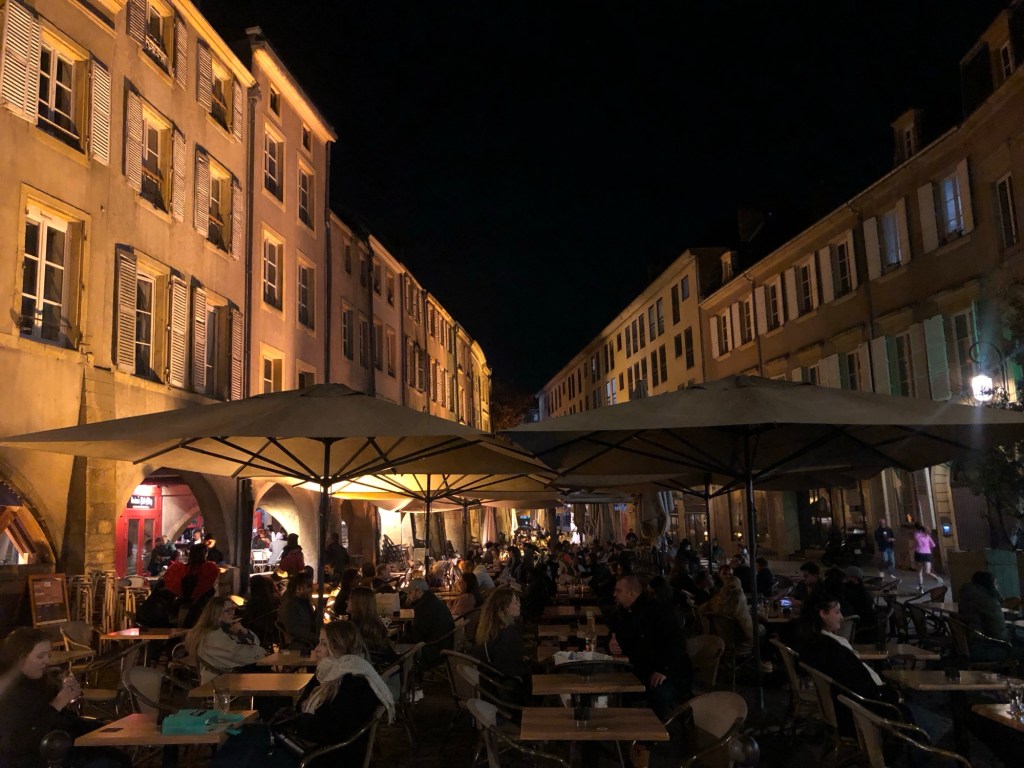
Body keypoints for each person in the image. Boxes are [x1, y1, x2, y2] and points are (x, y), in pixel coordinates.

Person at [213, 621, 394, 768]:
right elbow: (303, 707)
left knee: (246, 744)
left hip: (323, 755)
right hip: (308, 745)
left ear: (339, 647)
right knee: (243, 738)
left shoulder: (353, 682)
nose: (317, 649)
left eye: (323, 643)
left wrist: (293, 721)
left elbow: (328, 729)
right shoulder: (330, 673)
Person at [0, 627, 128, 768]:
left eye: (48, 655)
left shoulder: (40, 681)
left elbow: (65, 720)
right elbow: (18, 744)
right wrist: (58, 703)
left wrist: (103, 730)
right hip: (38, 759)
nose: (47, 660)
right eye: (40, 656)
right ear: (19, 659)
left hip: (64, 748)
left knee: (118, 756)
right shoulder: (9, 693)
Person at [797, 590, 904, 737]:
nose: (841, 617)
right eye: (837, 612)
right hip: (866, 714)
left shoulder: (813, 643)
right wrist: (891, 694)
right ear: (823, 613)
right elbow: (859, 685)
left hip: (847, 708)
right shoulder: (833, 649)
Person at [608, 574, 692, 719]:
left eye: (618, 590)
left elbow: (677, 643)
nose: (614, 594)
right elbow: (613, 634)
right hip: (638, 667)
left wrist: (663, 669)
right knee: (616, 685)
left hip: (669, 671)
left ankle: (661, 728)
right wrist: (611, 643)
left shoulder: (657, 611)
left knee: (658, 693)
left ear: (631, 593)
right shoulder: (621, 613)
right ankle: (627, 724)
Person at [185, 595, 266, 681]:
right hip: (219, 682)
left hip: (225, 677)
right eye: (227, 611)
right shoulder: (212, 636)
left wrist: (245, 632)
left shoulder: (225, 628)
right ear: (216, 614)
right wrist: (262, 652)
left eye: (233, 609)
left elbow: (254, 643)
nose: (232, 613)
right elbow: (238, 654)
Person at [473, 586, 528, 683]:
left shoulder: (488, 627)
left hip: (486, 681)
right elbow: (512, 668)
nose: (519, 604)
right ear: (505, 608)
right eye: (515, 603)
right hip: (507, 685)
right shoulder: (509, 633)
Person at [163, 542, 220, 627]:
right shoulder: (208, 569)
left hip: (184, 606)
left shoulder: (182, 569)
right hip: (202, 608)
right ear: (204, 554)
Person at [405, 578, 454, 670]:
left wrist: (401, 638)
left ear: (418, 591)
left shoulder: (423, 607)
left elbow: (417, 634)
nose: (408, 596)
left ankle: (406, 675)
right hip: (445, 644)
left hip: (433, 649)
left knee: (401, 649)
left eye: (410, 593)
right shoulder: (432, 600)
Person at [347, 586, 398, 669]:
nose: (347, 602)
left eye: (349, 599)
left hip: (369, 670)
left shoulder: (353, 627)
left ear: (357, 603)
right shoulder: (376, 623)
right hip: (385, 668)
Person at [277, 572, 317, 652]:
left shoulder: (303, 601)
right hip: (298, 644)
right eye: (309, 586)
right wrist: (316, 638)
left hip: (306, 640)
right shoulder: (290, 605)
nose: (313, 589)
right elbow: (295, 630)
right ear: (299, 588)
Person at [242, 574, 280, 650]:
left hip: (257, 630)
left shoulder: (254, 601)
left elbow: (248, 618)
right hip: (270, 629)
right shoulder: (272, 598)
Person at [912, 524, 942, 591]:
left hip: (919, 554)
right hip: (927, 554)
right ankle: (938, 579)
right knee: (927, 571)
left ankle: (921, 588)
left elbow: (916, 544)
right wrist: (927, 547)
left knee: (920, 572)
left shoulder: (917, 535)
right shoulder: (928, 537)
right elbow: (933, 545)